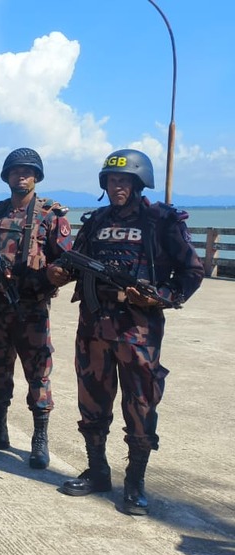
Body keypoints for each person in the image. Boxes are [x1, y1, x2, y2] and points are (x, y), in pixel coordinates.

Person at [48, 149, 203, 515]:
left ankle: (135, 482)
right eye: (113, 180)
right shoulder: (97, 220)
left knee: (140, 405)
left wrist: (159, 298)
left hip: (138, 333)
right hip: (94, 328)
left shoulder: (160, 220)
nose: (118, 186)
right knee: (92, 403)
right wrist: (58, 271)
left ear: (138, 183)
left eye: (125, 181)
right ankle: (98, 471)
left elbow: (191, 271)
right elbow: (74, 261)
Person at [0, 148, 72, 470]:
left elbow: (67, 261)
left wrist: (55, 274)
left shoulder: (51, 215)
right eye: (15, 171)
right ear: (7, 177)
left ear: (36, 176)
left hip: (32, 308)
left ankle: (39, 438)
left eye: (27, 171)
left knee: (38, 372)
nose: (21, 176)